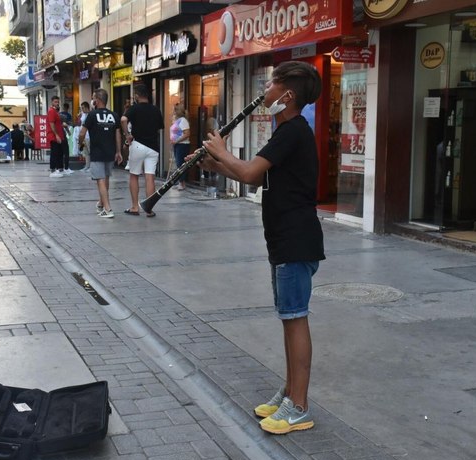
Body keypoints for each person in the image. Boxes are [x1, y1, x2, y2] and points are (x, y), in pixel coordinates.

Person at [194, 61, 324, 435]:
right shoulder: (286, 132)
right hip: (284, 240)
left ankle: (299, 406)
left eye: (271, 85)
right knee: (289, 319)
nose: (265, 91)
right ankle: (289, 393)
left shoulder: (293, 131)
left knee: (295, 319)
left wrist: (221, 147)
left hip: (295, 240)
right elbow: (254, 176)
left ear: (288, 96)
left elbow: (250, 172)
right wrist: (217, 164)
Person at [120, 84, 164, 216]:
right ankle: (149, 209)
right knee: (150, 176)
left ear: (137, 96)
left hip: (138, 145)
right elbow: (160, 127)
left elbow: (123, 119)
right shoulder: (156, 110)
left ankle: (135, 207)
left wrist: (127, 135)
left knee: (134, 175)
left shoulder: (134, 108)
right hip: (153, 147)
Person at [79, 88, 122, 218]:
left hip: (97, 152)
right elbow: (118, 134)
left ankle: (108, 209)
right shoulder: (114, 115)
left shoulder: (92, 115)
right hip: (110, 152)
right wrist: (119, 151)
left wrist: (80, 143)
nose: (92, 100)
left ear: (97, 100)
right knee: (105, 178)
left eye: (93, 98)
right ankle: (101, 203)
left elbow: (82, 133)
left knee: (100, 180)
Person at [170, 103, 190, 190]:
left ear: (178, 111)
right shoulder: (177, 120)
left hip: (182, 145)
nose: (173, 111)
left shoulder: (183, 121)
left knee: (180, 164)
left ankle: (182, 183)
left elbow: (187, 134)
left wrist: (176, 141)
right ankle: (180, 182)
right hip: (177, 144)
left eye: (175, 109)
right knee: (178, 164)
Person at [47, 96, 66, 177]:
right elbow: (51, 124)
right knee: (55, 153)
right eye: (55, 102)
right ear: (52, 102)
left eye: (58, 102)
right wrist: (56, 135)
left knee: (59, 152)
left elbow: (56, 123)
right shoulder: (51, 111)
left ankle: (60, 169)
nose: (57, 103)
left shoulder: (55, 111)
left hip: (58, 135)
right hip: (53, 136)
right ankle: (53, 170)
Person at [59, 103, 73, 174]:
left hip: (58, 137)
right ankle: (66, 168)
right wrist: (69, 132)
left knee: (60, 153)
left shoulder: (59, 114)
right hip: (63, 136)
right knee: (66, 152)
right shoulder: (67, 115)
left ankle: (60, 168)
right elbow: (67, 125)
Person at [77, 101, 91, 172]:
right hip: (83, 136)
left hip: (89, 136)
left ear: (86, 107)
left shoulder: (90, 115)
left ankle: (91, 167)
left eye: (83, 108)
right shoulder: (83, 114)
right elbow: (80, 123)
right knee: (86, 152)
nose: (82, 109)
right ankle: (87, 166)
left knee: (90, 151)